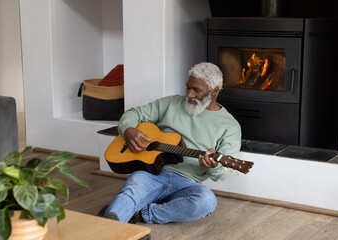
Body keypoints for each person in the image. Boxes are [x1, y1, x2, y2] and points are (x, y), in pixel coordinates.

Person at [98, 62, 241, 224]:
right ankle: (108, 225)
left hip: (187, 183)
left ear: (214, 90)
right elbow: (134, 113)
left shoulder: (230, 126)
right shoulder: (171, 103)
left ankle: (144, 214)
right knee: (132, 191)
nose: (189, 94)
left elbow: (223, 174)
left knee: (207, 201)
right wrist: (128, 130)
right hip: (151, 173)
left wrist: (213, 166)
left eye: (197, 90)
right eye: (188, 88)